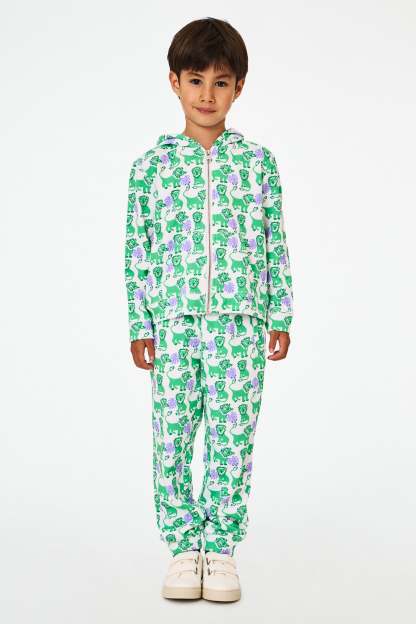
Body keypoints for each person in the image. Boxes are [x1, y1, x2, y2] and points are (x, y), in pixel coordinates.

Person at [124, 17, 294, 602]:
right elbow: (138, 250)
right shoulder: (150, 168)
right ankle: (182, 547)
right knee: (171, 436)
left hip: (239, 324)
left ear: (239, 87)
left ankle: (219, 549)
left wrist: (280, 313)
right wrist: (139, 323)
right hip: (173, 325)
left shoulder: (258, 164)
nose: (207, 95)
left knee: (232, 437)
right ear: (174, 82)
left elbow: (274, 241)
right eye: (195, 80)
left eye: (220, 82)